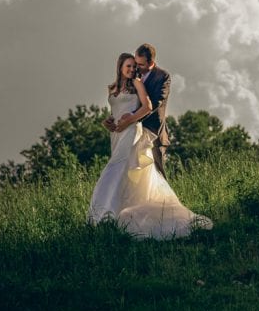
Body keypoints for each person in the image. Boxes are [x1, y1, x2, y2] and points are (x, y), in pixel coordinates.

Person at [87, 52, 212, 239]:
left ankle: (103, 214)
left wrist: (129, 121)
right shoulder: (112, 88)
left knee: (114, 169)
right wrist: (109, 122)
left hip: (131, 131)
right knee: (125, 171)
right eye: (128, 66)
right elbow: (115, 112)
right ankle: (120, 212)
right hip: (117, 134)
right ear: (120, 67)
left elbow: (147, 106)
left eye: (133, 66)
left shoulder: (137, 84)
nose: (131, 69)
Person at [131, 43, 171, 177]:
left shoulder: (163, 76)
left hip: (154, 132)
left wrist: (134, 118)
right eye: (136, 63)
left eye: (141, 64)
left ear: (151, 62)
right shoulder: (132, 73)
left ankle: (164, 199)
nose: (137, 67)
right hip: (132, 132)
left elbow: (156, 102)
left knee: (157, 172)